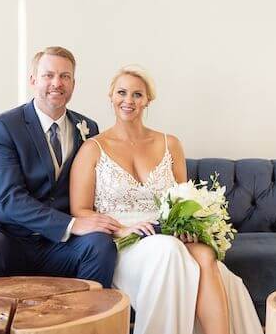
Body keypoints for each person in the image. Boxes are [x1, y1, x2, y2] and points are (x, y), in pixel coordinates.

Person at [70, 66, 263, 334]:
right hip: (124, 242)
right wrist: (121, 229)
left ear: (148, 100)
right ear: (111, 96)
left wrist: (189, 226)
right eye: (122, 93)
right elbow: (79, 210)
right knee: (168, 252)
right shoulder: (92, 148)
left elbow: (181, 199)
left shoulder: (170, 144)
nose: (129, 100)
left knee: (209, 260)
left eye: (137, 94)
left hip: (167, 232)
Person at [0, 46, 121, 288]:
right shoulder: (3, 127)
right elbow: (10, 198)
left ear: (73, 84)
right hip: (7, 234)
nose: (57, 83)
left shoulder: (88, 127)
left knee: (100, 244)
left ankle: (83, 323)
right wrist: (70, 224)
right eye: (48, 75)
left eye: (65, 76)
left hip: (60, 245)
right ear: (33, 80)